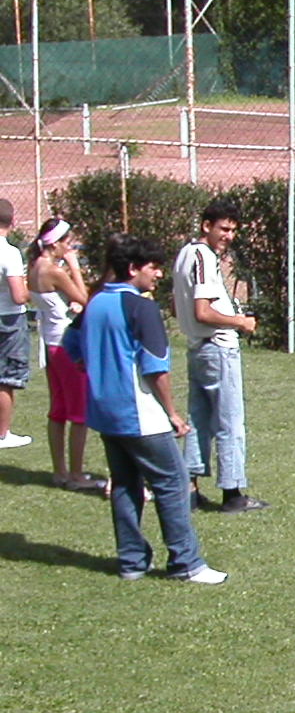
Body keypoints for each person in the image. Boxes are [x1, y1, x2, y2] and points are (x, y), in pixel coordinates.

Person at [66, 234, 224, 583]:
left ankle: (132, 562)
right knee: (174, 482)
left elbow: (70, 340)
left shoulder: (95, 302)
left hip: (103, 412)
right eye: (153, 267)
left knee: (126, 484)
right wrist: (173, 413)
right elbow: (155, 368)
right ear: (133, 268)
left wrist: (88, 361)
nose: (159, 274)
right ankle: (186, 563)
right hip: (139, 412)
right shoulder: (142, 307)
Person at [172, 198, 268, 513]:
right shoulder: (203, 256)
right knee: (230, 421)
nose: (228, 236)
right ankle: (233, 493)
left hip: (198, 348)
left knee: (199, 419)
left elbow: (178, 305)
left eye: (233, 230)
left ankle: (189, 490)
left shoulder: (184, 254)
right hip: (218, 348)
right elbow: (203, 311)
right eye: (223, 229)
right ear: (206, 226)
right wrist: (240, 322)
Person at [29, 219, 101, 491]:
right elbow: (85, 298)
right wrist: (74, 266)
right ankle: (76, 475)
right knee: (79, 412)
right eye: (67, 243)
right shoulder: (54, 270)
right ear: (55, 244)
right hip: (65, 346)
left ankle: (60, 471)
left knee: (58, 410)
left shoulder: (35, 266)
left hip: (49, 344)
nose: (70, 248)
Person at [0, 197, 30, 449]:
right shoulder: (9, 253)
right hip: (8, 318)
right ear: (12, 222)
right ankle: (3, 433)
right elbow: (18, 295)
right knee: (6, 378)